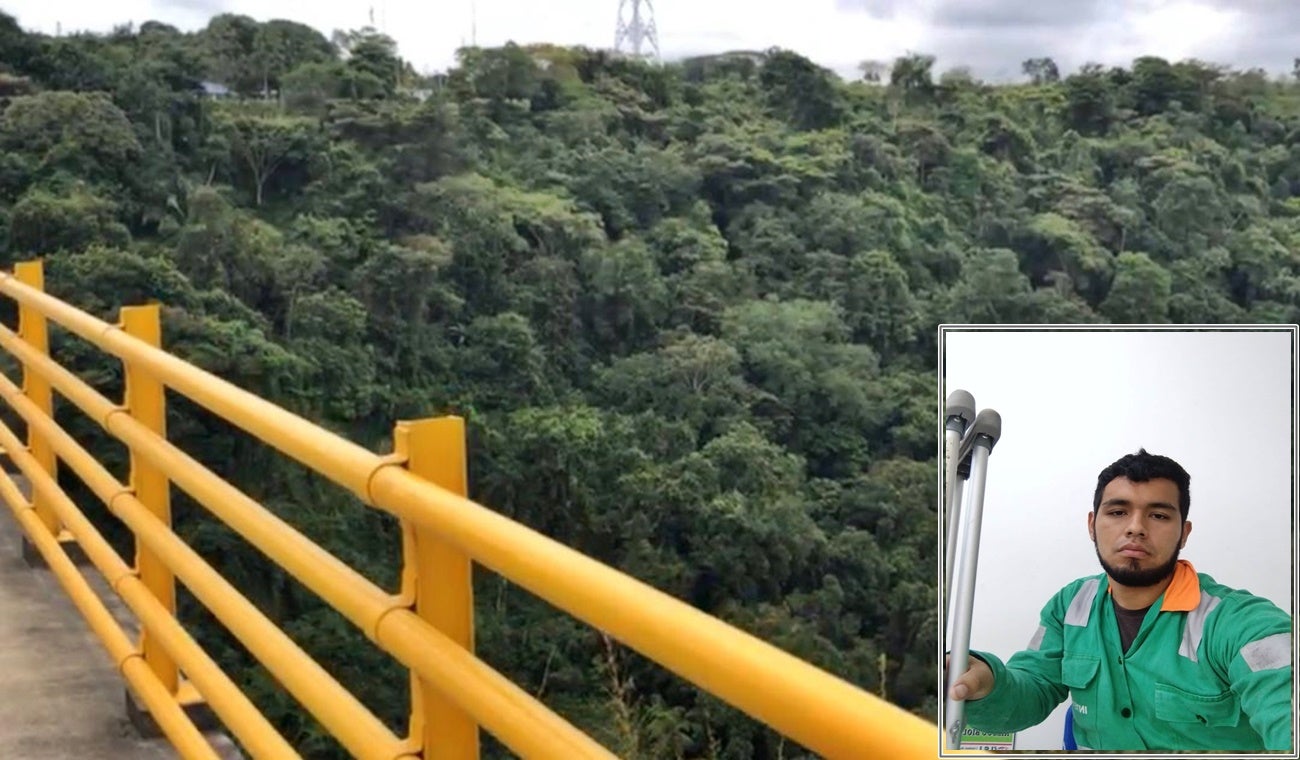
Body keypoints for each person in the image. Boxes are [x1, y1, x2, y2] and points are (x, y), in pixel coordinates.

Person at [947, 449, 1293, 752]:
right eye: (1117, 512)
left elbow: (1285, 704)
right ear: (1092, 524)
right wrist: (988, 683)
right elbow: (1033, 688)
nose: (1136, 528)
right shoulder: (1070, 605)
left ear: (1184, 533)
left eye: (1158, 515)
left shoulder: (1241, 624)